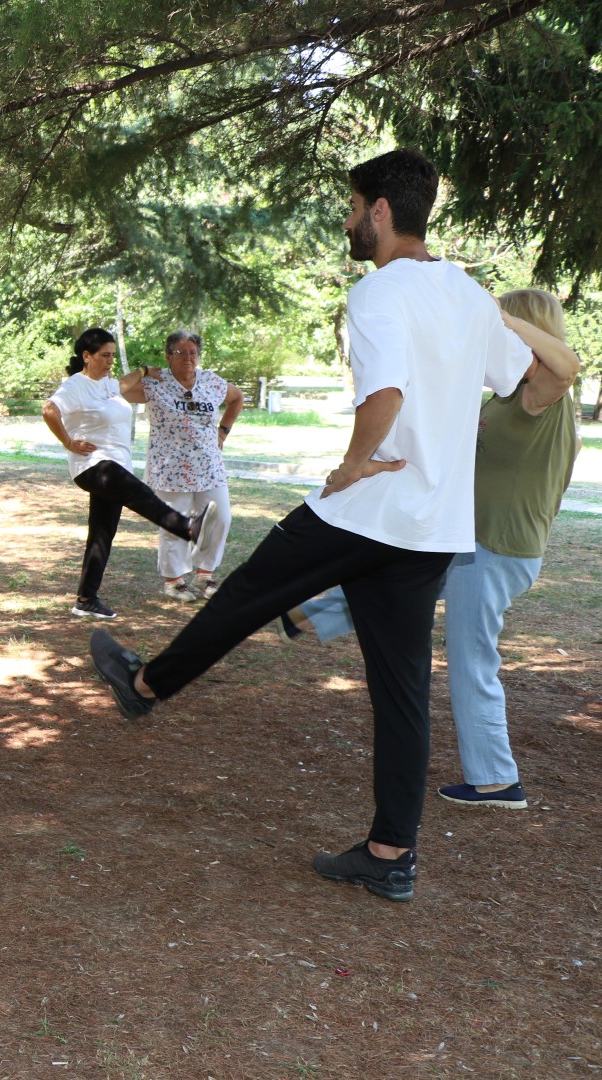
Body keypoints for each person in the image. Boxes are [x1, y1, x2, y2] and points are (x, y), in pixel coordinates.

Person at [88, 149, 533, 903]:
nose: (349, 219)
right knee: (401, 693)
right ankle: (391, 854)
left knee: (246, 594)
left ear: (382, 211)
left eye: (354, 206)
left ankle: (145, 683)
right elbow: (526, 380)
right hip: (433, 527)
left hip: (371, 509)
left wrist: (355, 463)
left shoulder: (379, 293)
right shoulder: (465, 293)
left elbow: (386, 393)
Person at [278, 287, 580, 813]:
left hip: (497, 548)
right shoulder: (508, 393)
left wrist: (500, 318)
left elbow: (567, 363)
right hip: (472, 540)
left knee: (470, 659)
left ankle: (494, 779)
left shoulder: (544, 393)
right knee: (395, 583)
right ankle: (302, 613)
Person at [40, 328, 214, 620]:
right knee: (139, 493)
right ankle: (186, 527)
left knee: (102, 533)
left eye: (111, 355)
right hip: (93, 464)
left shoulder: (107, 383)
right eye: (104, 355)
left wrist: (144, 370)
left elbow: (123, 383)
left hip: (116, 464)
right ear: (87, 356)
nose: (110, 361)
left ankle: (86, 599)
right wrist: (68, 442)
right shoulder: (75, 385)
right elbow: (49, 409)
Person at [141, 331, 243, 601]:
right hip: (170, 467)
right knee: (175, 524)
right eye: (180, 352)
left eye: (192, 353)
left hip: (208, 464)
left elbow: (237, 398)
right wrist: (142, 371)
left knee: (220, 518)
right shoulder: (155, 382)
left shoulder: (210, 381)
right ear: (168, 356)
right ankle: (173, 581)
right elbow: (117, 389)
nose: (188, 358)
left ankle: (204, 576)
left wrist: (223, 431)